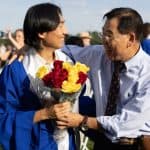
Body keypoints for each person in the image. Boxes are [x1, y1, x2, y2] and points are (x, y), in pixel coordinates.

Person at [60, 7, 150, 150]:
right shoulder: (99, 55)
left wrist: (82, 121)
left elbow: (125, 123)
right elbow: (67, 51)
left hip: (133, 144)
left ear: (131, 39)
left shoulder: (147, 74)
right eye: (102, 33)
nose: (104, 40)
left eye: (109, 35)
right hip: (102, 141)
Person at [0, 3, 80, 150]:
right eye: (60, 26)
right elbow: (3, 119)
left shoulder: (68, 63)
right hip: (34, 144)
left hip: (66, 143)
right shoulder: (16, 71)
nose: (66, 32)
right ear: (42, 33)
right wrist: (43, 114)